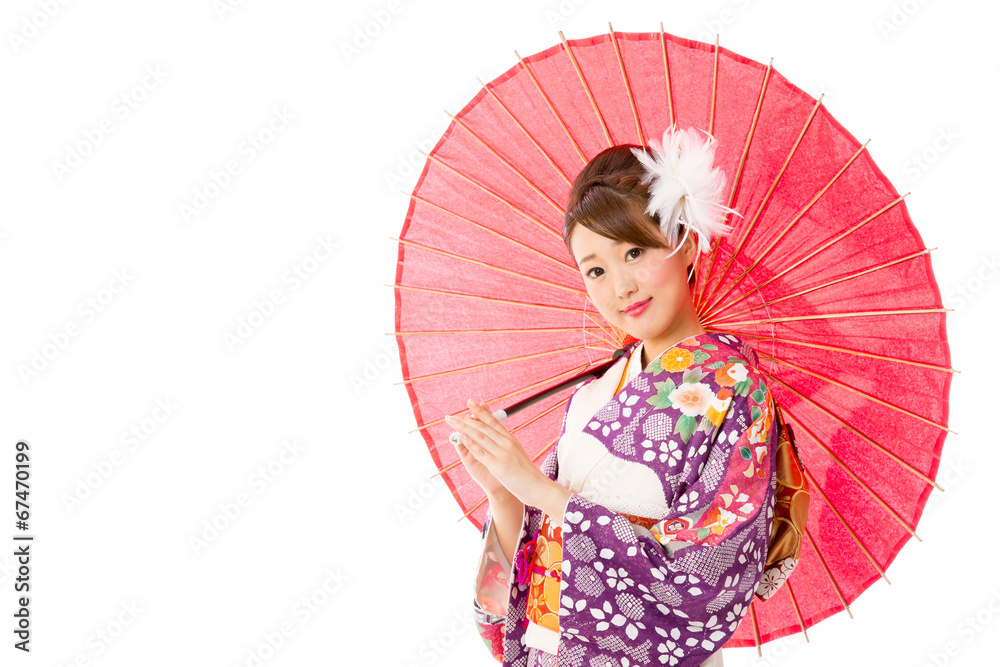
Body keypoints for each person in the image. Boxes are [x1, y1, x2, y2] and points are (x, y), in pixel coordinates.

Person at [447, 127, 779, 667]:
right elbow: (532, 568)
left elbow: (702, 579)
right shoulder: (596, 389)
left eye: (634, 251)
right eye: (596, 269)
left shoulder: (734, 392)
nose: (620, 286)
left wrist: (542, 490)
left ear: (686, 242)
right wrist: (505, 495)